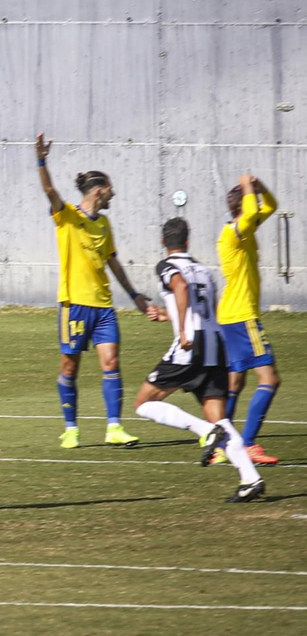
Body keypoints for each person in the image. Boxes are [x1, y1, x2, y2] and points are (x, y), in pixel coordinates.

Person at [130, 219, 265, 502]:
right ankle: (251, 479)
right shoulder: (205, 271)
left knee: (143, 403)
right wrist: (168, 316)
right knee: (220, 418)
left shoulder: (167, 266)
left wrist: (180, 330)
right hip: (216, 345)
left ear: (162, 242)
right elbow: (204, 311)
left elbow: (180, 288)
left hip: (191, 346)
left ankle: (205, 431)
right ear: (188, 241)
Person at [34, 134, 154, 449]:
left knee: (111, 362)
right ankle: (71, 428)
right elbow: (49, 189)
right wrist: (41, 160)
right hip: (74, 306)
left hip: (103, 307)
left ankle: (114, 427)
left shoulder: (104, 225)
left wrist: (135, 295)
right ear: (99, 191)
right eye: (111, 189)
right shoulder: (67, 215)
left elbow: (112, 262)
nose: (114, 194)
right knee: (69, 367)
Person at [215, 174, 282, 466]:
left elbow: (270, 206)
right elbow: (255, 211)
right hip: (242, 317)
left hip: (231, 316)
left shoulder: (244, 228)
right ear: (242, 207)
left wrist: (259, 188)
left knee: (235, 384)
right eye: (250, 199)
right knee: (270, 379)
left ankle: (220, 446)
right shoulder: (234, 232)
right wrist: (245, 184)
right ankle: (249, 443)